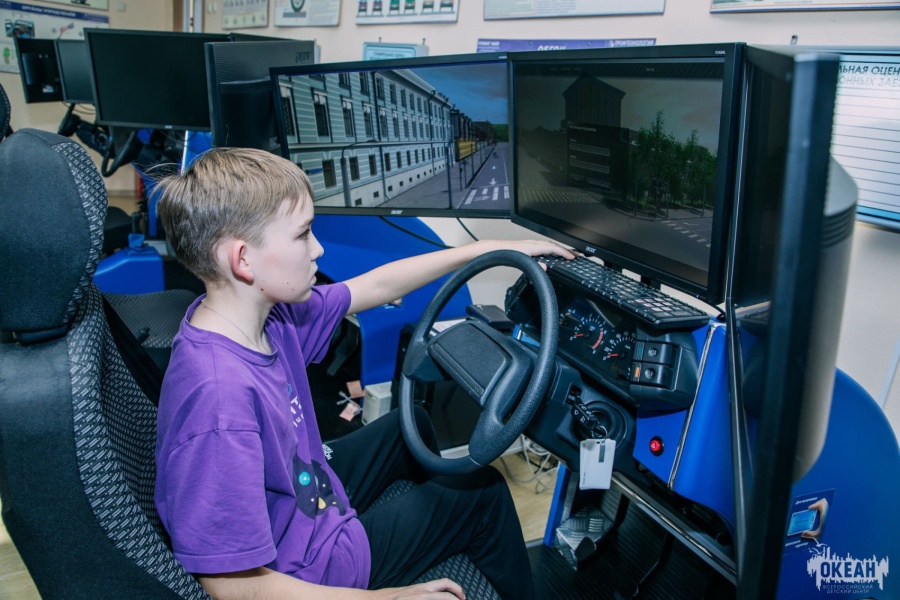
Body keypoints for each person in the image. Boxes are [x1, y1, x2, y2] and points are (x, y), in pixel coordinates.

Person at [153, 147, 574, 600]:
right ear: (243, 260)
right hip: (316, 568)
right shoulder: (220, 401)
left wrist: (484, 251)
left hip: (304, 494)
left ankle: (431, 532)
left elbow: (375, 286)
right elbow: (232, 586)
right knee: (483, 492)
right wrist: (381, 598)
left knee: (409, 427)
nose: (318, 248)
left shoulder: (266, 316)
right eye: (303, 234)